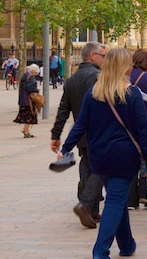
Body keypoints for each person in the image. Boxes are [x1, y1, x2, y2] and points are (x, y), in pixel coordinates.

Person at [59, 48, 147, 259]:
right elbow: (143, 131)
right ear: (124, 67)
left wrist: (65, 148)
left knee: (117, 198)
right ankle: (100, 251)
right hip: (125, 157)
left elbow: (80, 125)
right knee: (116, 200)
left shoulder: (94, 93)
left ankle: (127, 245)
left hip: (99, 156)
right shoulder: (132, 94)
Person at [51, 41, 107, 228]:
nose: (105, 59)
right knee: (98, 169)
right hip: (99, 132)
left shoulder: (72, 80)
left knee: (87, 166)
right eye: (103, 56)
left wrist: (56, 134)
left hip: (81, 133)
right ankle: (88, 205)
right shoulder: (99, 77)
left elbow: (63, 109)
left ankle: (91, 209)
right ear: (93, 56)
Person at [128, 49, 147, 210]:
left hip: (128, 124)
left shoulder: (126, 77)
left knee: (131, 158)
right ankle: (143, 193)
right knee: (144, 158)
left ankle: (131, 199)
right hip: (146, 122)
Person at [15, 65, 41, 138]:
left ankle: (26, 130)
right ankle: (26, 132)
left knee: (27, 116)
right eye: (36, 72)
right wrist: (37, 90)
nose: (36, 74)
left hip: (23, 99)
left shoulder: (25, 75)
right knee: (29, 117)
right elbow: (30, 88)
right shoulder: (31, 77)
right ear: (34, 71)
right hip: (28, 100)